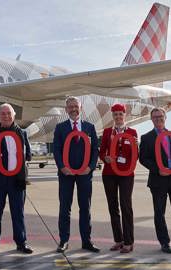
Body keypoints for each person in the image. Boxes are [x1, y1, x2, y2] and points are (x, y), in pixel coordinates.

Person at [0, 103, 33, 254]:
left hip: (16, 180)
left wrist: (22, 156)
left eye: (8, 113)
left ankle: (21, 242)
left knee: (18, 212)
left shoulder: (22, 133)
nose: (5, 116)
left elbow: (29, 154)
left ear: (13, 115)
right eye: (3, 113)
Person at [53, 96, 100, 253]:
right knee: (64, 208)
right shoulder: (60, 128)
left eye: (76, 106)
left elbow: (95, 150)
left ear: (81, 108)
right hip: (66, 174)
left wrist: (90, 167)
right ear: (66, 110)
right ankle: (63, 241)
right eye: (70, 107)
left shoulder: (89, 127)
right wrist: (62, 167)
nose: (73, 109)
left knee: (85, 208)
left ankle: (86, 241)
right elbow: (57, 150)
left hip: (85, 174)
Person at [99, 104, 137, 253]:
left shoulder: (132, 132)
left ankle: (129, 241)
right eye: (115, 114)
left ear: (124, 115)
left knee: (126, 205)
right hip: (109, 174)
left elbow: (135, 154)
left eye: (120, 114)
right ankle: (118, 240)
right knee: (113, 206)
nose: (118, 117)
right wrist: (105, 158)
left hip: (126, 174)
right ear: (112, 116)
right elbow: (101, 152)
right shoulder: (108, 132)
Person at [139, 107, 171, 254]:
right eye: (155, 117)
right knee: (159, 212)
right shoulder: (146, 138)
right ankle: (164, 242)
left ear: (165, 117)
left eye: (160, 116)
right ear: (151, 119)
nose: (158, 119)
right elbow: (143, 159)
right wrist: (157, 169)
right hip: (158, 180)